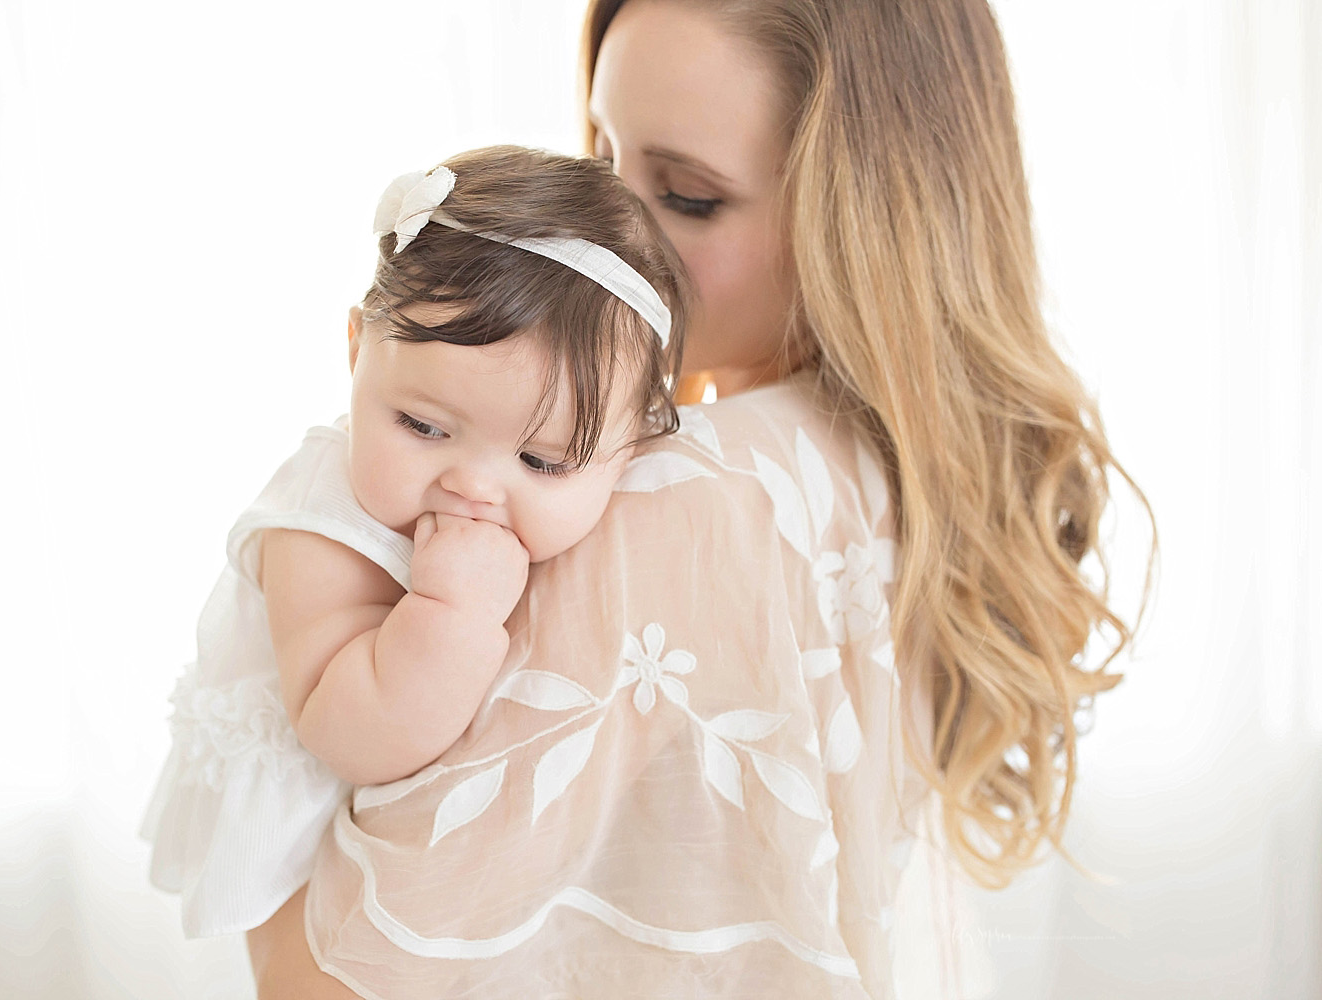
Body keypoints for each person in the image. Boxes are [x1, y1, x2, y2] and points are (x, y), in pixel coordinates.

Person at [187, 1, 1155, 997]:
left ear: (868, 216)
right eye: (603, 159)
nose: (601, 244)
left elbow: (335, 975)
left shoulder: (681, 497)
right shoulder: (889, 461)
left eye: (686, 195)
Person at [141, 143, 687, 937]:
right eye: (423, 426)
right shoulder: (320, 526)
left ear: (631, 449)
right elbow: (351, 734)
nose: (473, 487)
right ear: (359, 349)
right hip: (304, 859)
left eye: (540, 461)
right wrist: (450, 608)